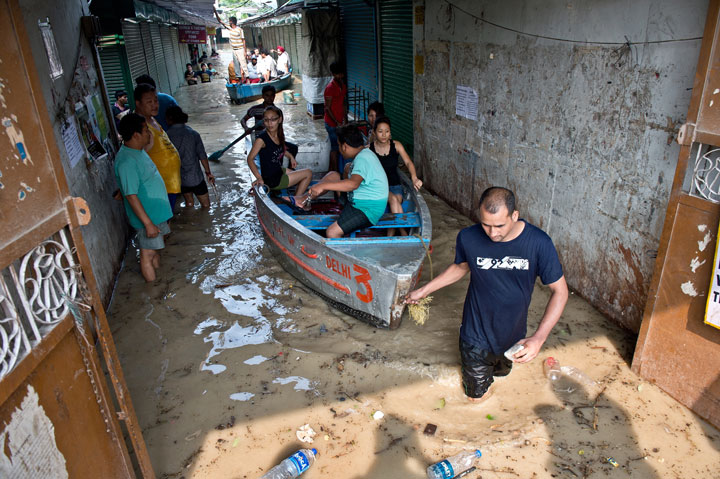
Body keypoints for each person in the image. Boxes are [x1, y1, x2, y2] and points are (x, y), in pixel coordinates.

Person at [405, 187, 569, 402]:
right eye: (486, 225)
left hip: (513, 336)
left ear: (515, 216)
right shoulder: (468, 237)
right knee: (476, 398)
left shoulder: (539, 243)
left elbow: (560, 292)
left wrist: (538, 338)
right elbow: (461, 267)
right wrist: (423, 290)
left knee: (501, 375)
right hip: (475, 336)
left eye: (500, 225)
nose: (492, 233)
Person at [114, 113, 173, 282]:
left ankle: (159, 280)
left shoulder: (136, 151)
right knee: (147, 254)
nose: (149, 133)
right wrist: (148, 224)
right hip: (148, 218)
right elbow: (131, 196)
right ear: (135, 135)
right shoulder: (126, 161)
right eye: (146, 130)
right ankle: (153, 291)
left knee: (154, 251)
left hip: (155, 213)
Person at [307, 125, 388, 238]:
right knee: (335, 174)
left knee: (332, 232)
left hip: (367, 209)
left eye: (339, 146)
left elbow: (353, 184)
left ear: (344, 146)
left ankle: (340, 253)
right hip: (360, 201)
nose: (340, 150)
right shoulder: (364, 154)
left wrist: (323, 185)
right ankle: (305, 200)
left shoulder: (363, 159)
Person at [247, 106, 311, 206]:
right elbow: (250, 159)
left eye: (273, 119)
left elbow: (281, 148)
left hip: (278, 171)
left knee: (297, 173)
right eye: (267, 120)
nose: (270, 123)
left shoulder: (278, 134)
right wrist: (259, 178)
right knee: (308, 173)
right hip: (273, 180)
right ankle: (295, 201)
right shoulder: (261, 139)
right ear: (264, 121)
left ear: (280, 119)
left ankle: (293, 198)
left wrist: (291, 157)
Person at [369, 117, 422, 236]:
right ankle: (403, 233)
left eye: (387, 131)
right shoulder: (369, 150)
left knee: (396, 199)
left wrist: (414, 178)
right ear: (374, 132)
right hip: (378, 187)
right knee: (394, 199)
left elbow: (408, 162)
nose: (384, 135)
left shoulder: (396, 145)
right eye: (380, 131)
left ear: (390, 132)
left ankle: (391, 236)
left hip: (395, 185)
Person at [133, 83, 181, 210]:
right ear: (138, 103)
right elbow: (136, 158)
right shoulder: (139, 128)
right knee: (161, 224)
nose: (155, 105)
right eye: (149, 102)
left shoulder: (152, 120)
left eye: (156, 100)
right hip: (157, 189)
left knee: (166, 221)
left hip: (169, 185)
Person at [165, 106, 215, 209]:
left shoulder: (166, 136)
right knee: (206, 206)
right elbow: (202, 155)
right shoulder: (193, 134)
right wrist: (208, 172)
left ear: (169, 119)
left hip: (180, 178)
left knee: (189, 204)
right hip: (196, 177)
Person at [324, 61, 347, 173]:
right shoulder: (330, 88)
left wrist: (344, 119)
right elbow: (327, 108)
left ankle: (331, 170)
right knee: (334, 148)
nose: (340, 76)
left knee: (336, 148)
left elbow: (343, 103)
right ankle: (335, 173)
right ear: (333, 74)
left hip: (339, 122)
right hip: (331, 123)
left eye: (341, 74)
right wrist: (337, 122)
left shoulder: (342, 86)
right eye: (337, 74)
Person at [214, 7, 247, 83]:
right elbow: (220, 21)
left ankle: (244, 79)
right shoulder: (230, 28)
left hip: (240, 49)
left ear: (232, 22)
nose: (229, 23)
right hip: (235, 49)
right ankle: (239, 79)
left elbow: (243, 40)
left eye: (229, 21)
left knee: (242, 64)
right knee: (237, 65)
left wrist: (244, 52)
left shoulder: (239, 30)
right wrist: (215, 11)